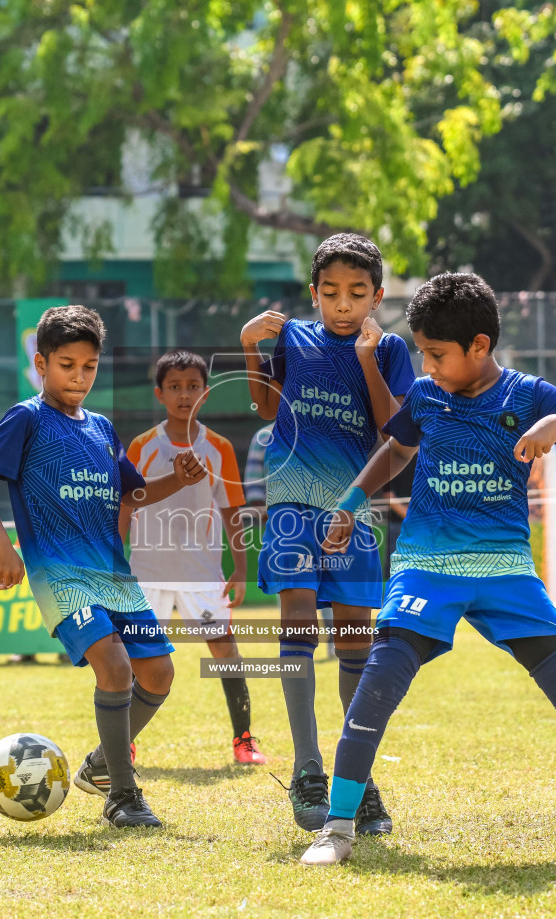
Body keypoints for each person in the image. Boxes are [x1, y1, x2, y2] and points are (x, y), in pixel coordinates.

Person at [299, 273, 556, 865]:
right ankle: (338, 829)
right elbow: (396, 448)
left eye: (436, 353)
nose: (426, 363)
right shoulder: (426, 397)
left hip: (506, 571)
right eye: (422, 351)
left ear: (479, 345)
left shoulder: (529, 395)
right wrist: (350, 503)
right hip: (427, 565)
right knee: (375, 687)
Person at [0, 305, 206, 828]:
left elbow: (133, 492)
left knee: (159, 674)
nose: (78, 377)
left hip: (114, 575)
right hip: (62, 574)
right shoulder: (26, 418)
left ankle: (101, 764)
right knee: (115, 667)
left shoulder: (101, 427)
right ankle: (123, 795)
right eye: (66, 365)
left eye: (89, 367)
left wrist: (179, 481)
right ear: (41, 363)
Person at [237, 232, 415, 834]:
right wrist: (249, 347)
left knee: (354, 640)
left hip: (354, 510)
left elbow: (395, 426)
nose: (344, 304)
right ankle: (308, 769)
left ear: (378, 296)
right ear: (314, 293)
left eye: (357, 293)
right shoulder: (294, 338)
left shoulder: (388, 349)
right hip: (291, 503)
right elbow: (266, 409)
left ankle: (354, 774)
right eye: (332, 293)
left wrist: (366, 358)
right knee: (295, 625)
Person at [124, 350, 264, 765]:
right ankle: (124, 743)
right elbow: (125, 504)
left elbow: (231, 511)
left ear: (205, 395)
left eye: (192, 387)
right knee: (139, 659)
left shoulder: (219, 448)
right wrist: (117, 564)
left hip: (202, 574)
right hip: (146, 573)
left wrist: (239, 569)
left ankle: (244, 740)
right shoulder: (142, 446)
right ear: (159, 394)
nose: (184, 394)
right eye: (174, 387)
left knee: (225, 650)